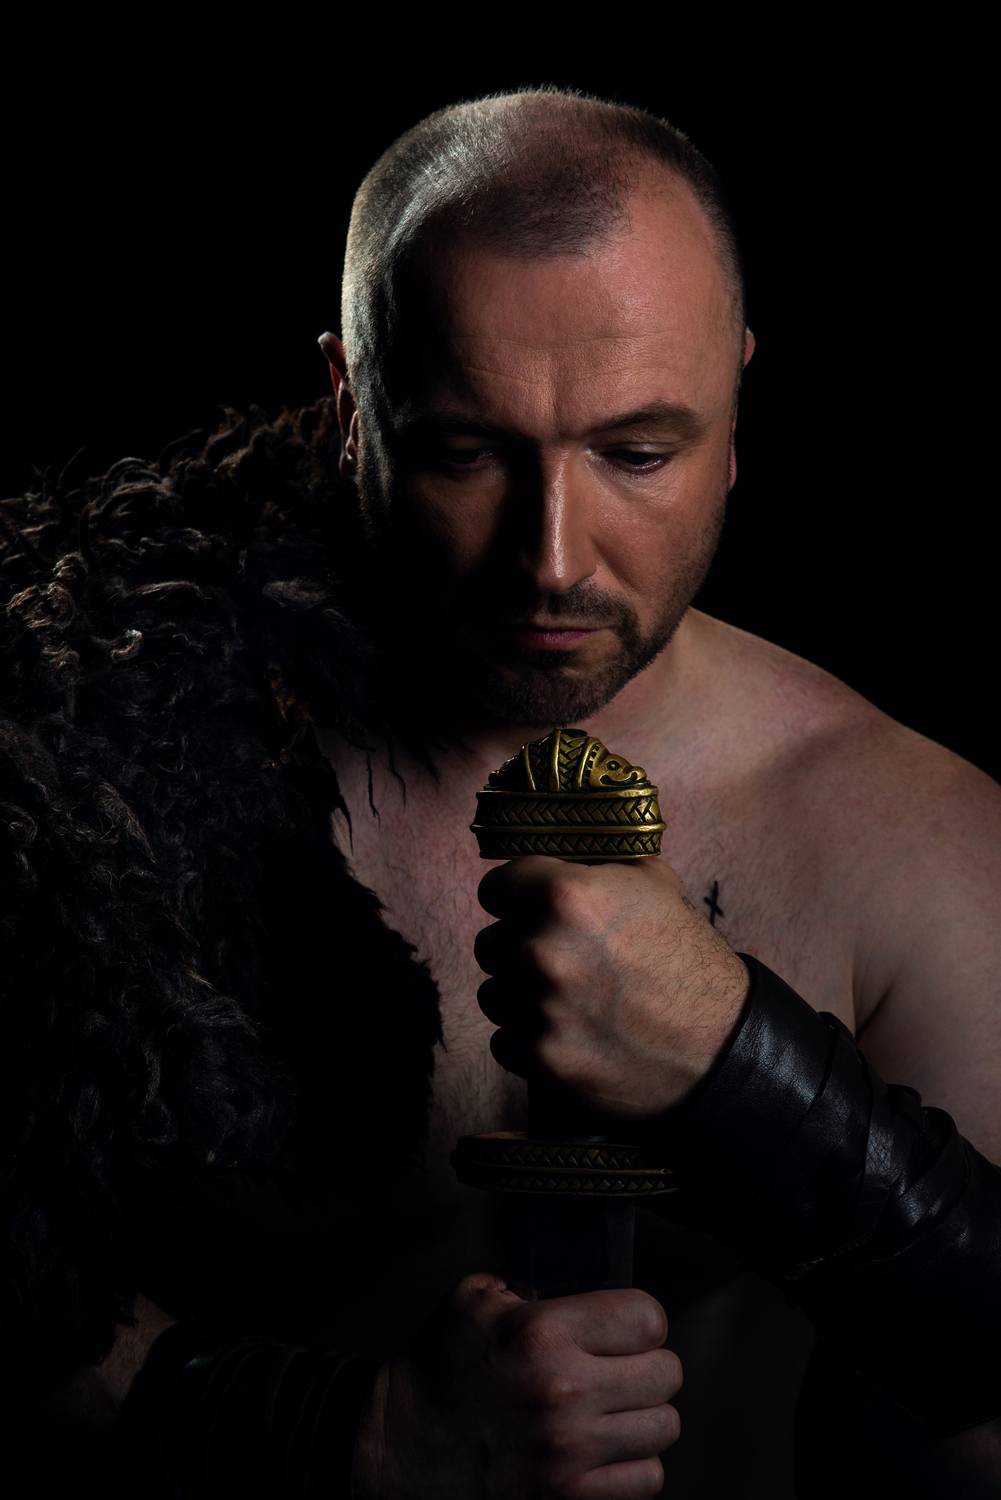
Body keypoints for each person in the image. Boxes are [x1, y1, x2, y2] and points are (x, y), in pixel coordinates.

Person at [1, 85, 997, 1498]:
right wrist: (345, 1436)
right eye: (465, 453)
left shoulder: (907, 842)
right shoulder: (93, 779)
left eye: (636, 453)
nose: (552, 558)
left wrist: (745, 1070)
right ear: (350, 403)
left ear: (734, 405)